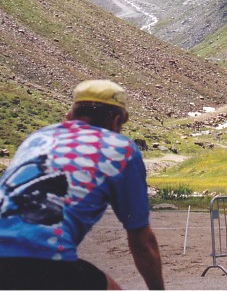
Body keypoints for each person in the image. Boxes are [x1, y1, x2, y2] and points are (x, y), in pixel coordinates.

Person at [0, 79, 165, 289]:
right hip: (45, 257)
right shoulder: (121, 148)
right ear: (116, 121)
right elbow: (142, 242)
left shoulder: (36, 139)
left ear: (70, 115)